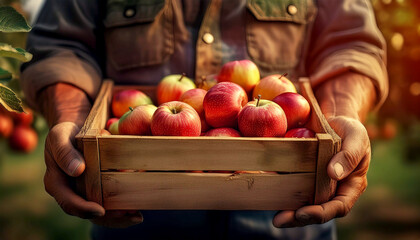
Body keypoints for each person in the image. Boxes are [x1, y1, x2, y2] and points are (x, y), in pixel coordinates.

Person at [21, 0, 388, 239]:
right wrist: (72, 120)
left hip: (289, 211)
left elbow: (351, 43)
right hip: (138, 212)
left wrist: (340, 114)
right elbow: (60, 46)